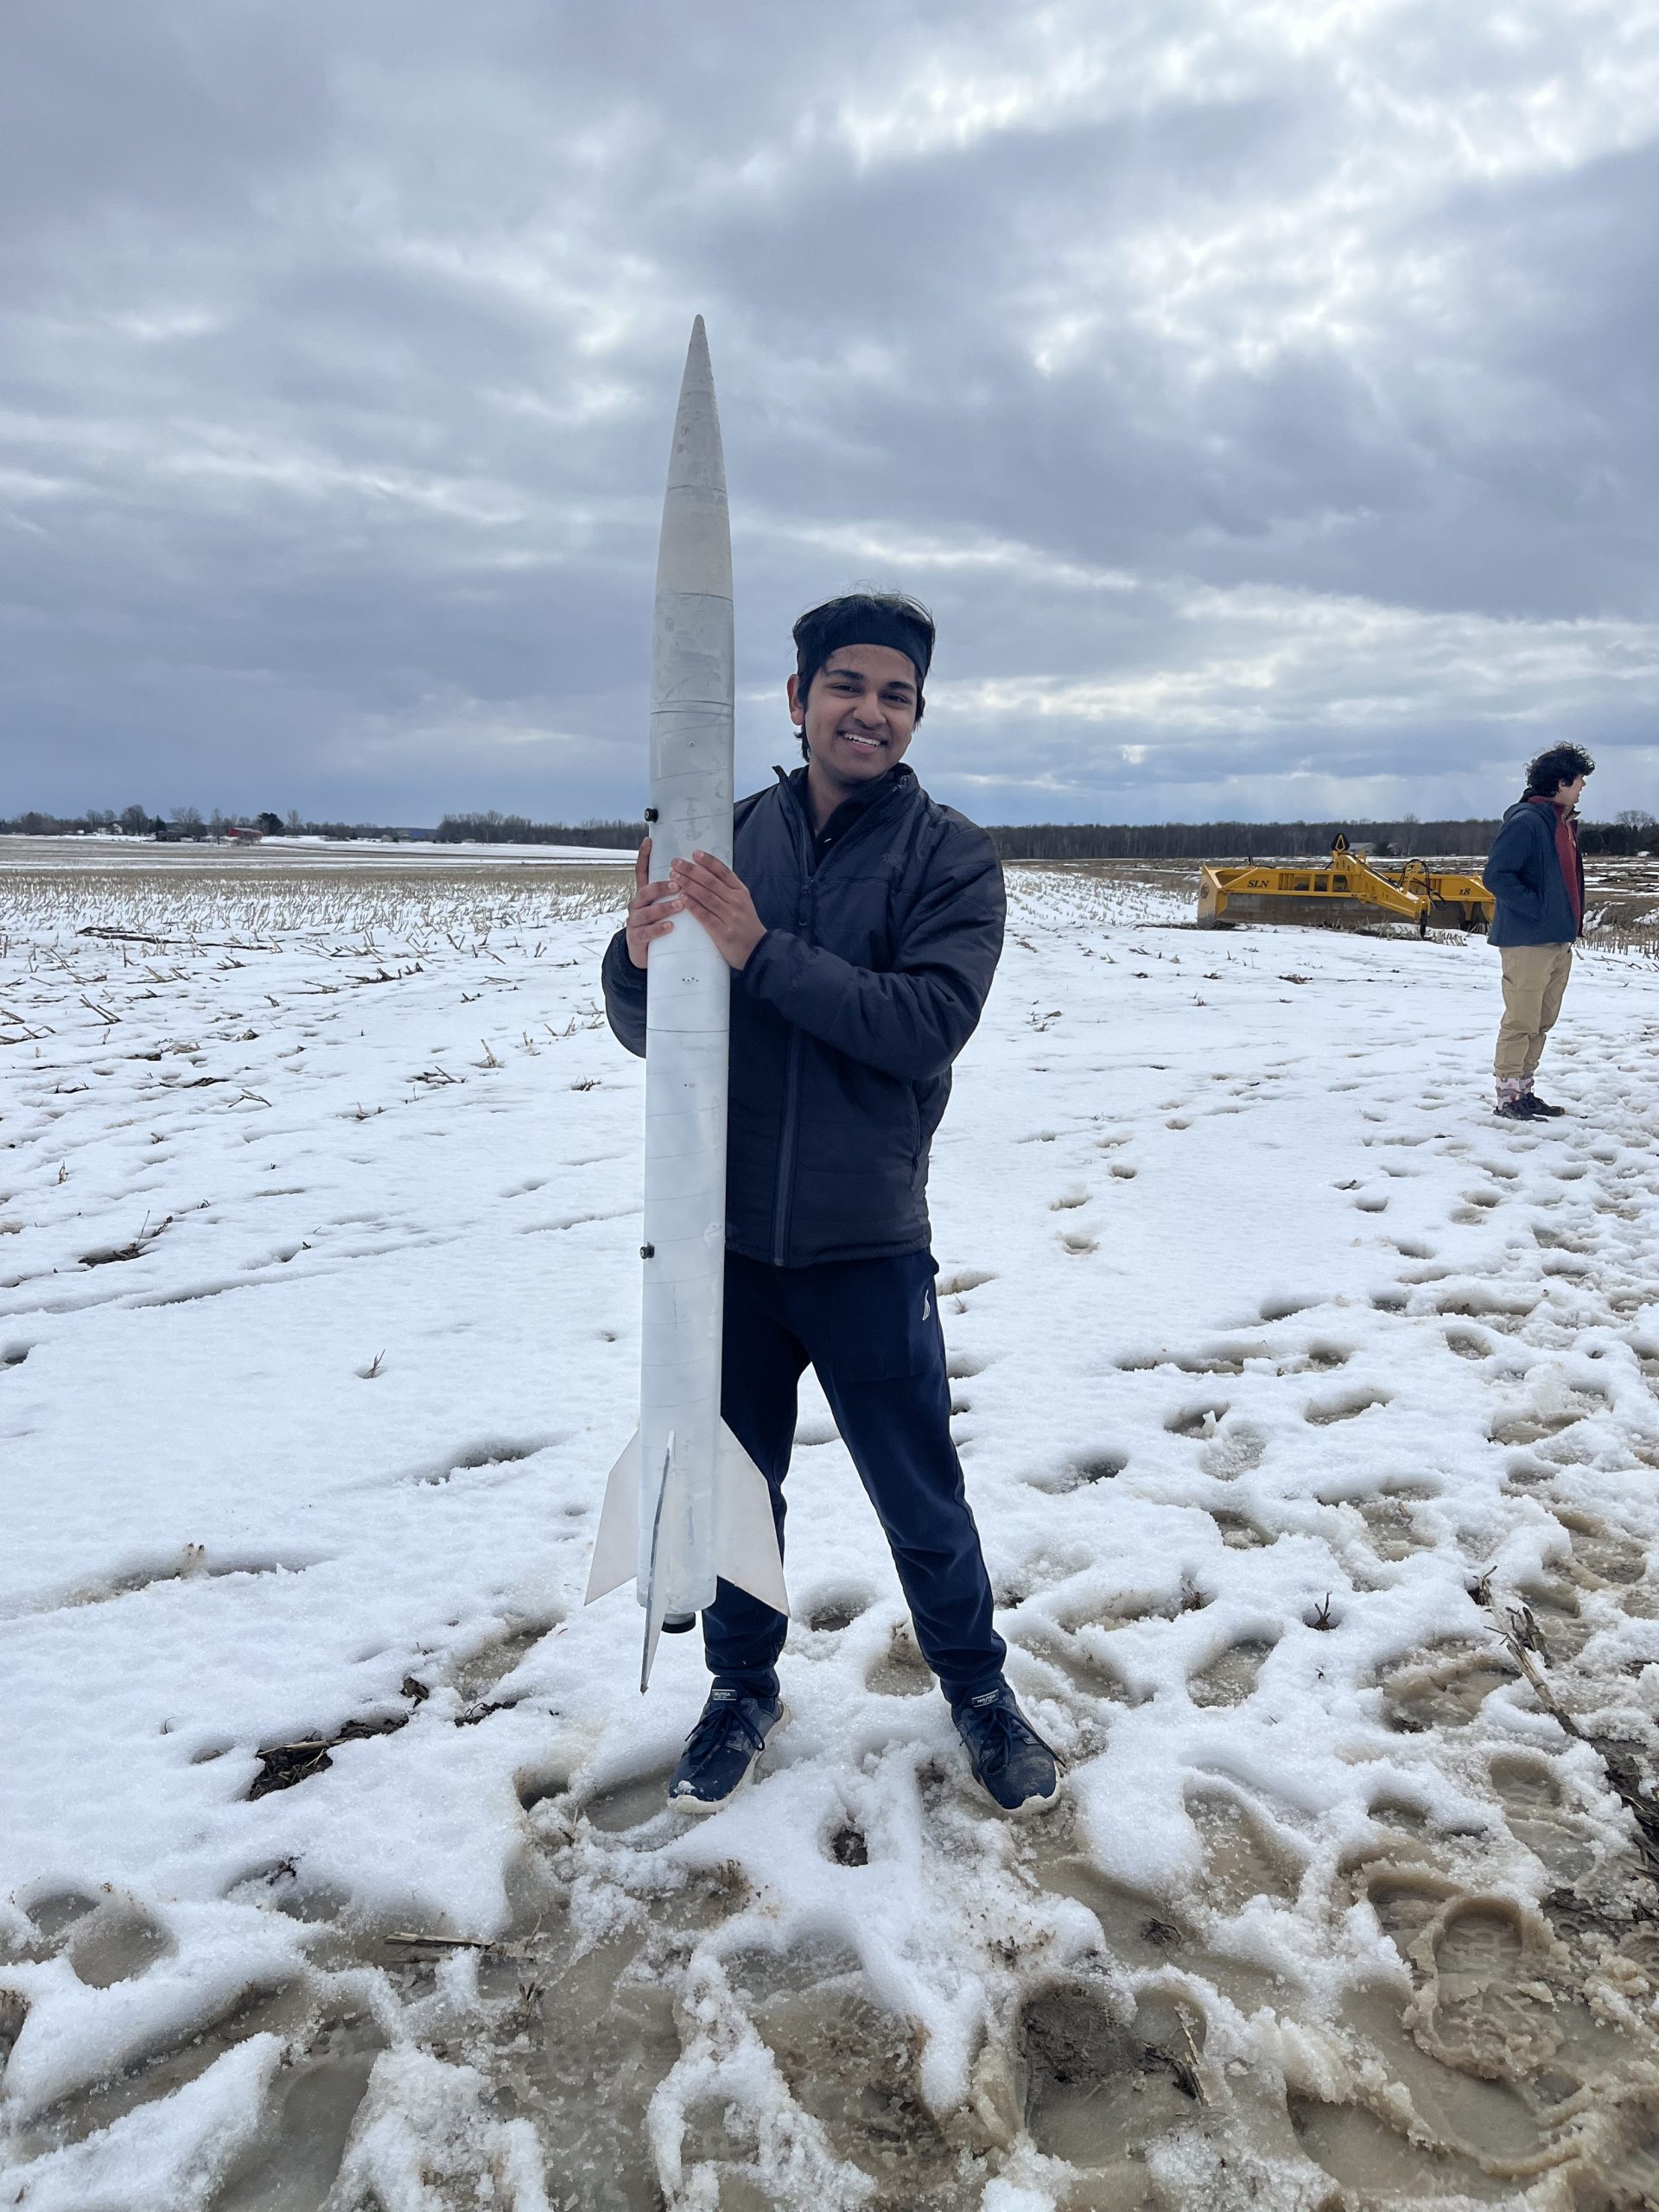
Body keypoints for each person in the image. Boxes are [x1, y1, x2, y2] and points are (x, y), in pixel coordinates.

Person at [601, 592, 1059, 1816]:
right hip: (727, 1245)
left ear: (917, 714)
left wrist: (758, 949)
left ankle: (979, 1691)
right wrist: (637, 961)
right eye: (847, 686)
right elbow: (653, 1031)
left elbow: (924, 1026)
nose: (871, 711)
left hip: (867, 1243)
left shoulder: (950, 857)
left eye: (896, 694)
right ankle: (739, 1689)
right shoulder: (724, 836)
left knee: (920, 1495)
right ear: (798, 699)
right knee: (734, 1484)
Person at [1481, 743, 1593, 1121]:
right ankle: (1509, 1097)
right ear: (1560, 782)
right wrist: (1541, 911)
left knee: (1541, 1021)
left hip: (1557, 940)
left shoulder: (1562, 823)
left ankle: (1524, 1091)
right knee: (1521, 1020)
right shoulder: (1528, 821)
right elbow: (1497, 876)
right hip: (1528, 940)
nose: (1582, 787)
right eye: (1579, 780)